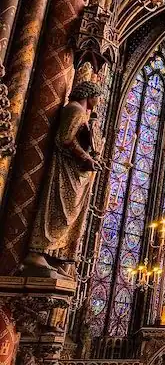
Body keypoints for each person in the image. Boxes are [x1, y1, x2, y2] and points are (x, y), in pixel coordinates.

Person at [22, 81, 104, 280]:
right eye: (98, 96)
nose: (99, 101)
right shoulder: (75, 110)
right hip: (66, 170)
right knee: (57, 208)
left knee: (67, 213)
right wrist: (86, 158)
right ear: (89, 94)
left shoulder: (81, 113)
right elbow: (64, 139)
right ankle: (37, 252)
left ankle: (55, 258)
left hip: (76, 171)